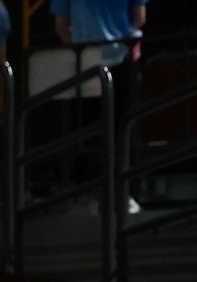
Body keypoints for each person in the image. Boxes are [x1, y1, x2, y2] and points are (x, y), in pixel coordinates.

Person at [51, 0, 146, 215]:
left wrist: (80, 50)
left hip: (87, 61)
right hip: (121, 56)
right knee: (125, 127)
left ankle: (95, 193)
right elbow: (140, 18)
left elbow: (60, 26)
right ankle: (126, 193)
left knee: (93, 128)